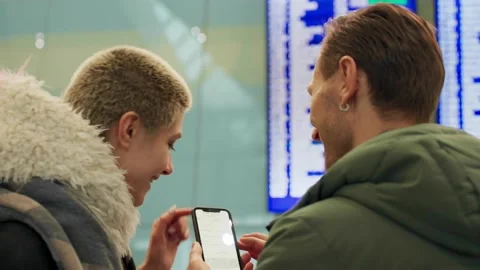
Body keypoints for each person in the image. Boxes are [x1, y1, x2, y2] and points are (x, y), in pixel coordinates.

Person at [188, 3, 480, 269]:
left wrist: (301, 252)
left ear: (346, 80)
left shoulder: (309, 242)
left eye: (313, 92)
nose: (315, 132)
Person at [0, 46, 193, 269]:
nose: (169, 167)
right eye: (170, 144)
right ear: (129, 130)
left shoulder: (55, 221)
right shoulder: (24, 239)